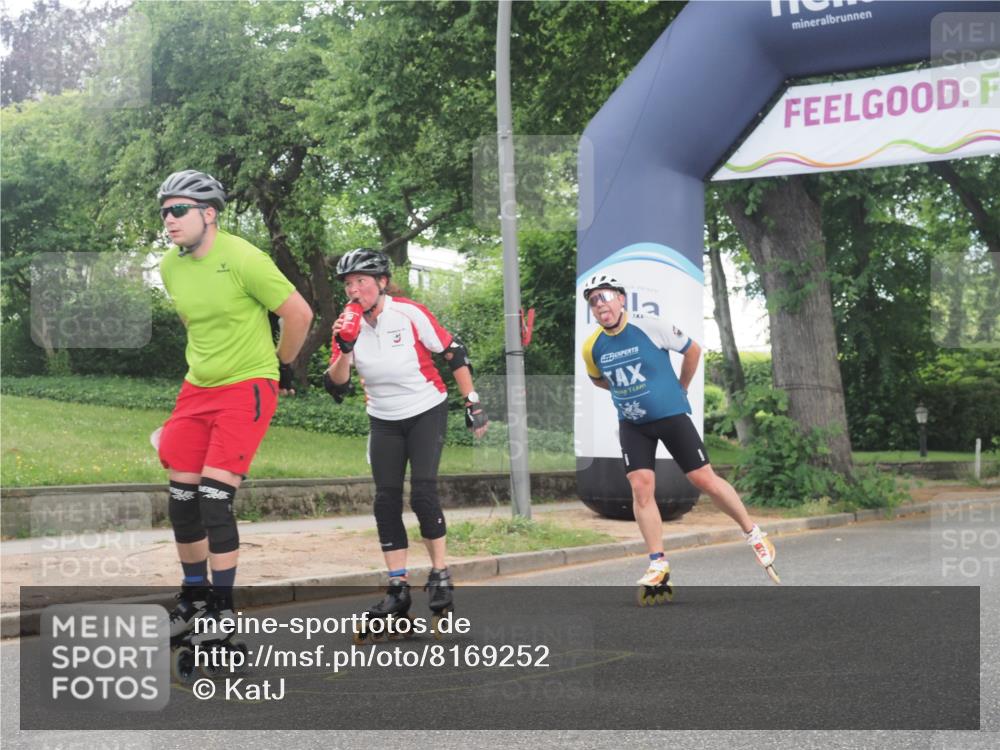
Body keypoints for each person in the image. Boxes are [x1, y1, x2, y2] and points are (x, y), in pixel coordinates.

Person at [156, 169, 314, 635]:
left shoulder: (244, 257)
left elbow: (299, 313)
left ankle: (223, 612)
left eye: (179, 210)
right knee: (182, 500)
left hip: (247, 386)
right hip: (196, 389)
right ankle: (193, 599)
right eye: (164, 211)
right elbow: (194, 322)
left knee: (213, 499)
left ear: (209, 214)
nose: (169, 219)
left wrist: (282, 365)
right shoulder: (170, 267)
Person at [580, 273, 779, 591]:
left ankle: (754, 534)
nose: (599, 304)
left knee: (703, 479)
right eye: (592, 300)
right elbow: (597, 379)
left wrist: (681, 388)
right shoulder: (592, 347)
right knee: (640, 486)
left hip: (671, 415)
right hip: (632, 423)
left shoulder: (650, 325)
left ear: (621, 298)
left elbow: (693, 350)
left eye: (604, 296)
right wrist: (626, 391)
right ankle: (658, 563)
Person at [323, 248, 488, 630]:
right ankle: (397, 587)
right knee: (385, 500)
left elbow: (453, 352)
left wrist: (472, 403)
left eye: (362, 281)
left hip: (426, 408)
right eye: (349, 284)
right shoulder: (345, 325)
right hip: (383, 417)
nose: (354, 290)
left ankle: (440, 573)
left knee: (424, 493)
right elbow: (336, 385)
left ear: (381, 283)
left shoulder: (409, 313)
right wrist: (345, 348)